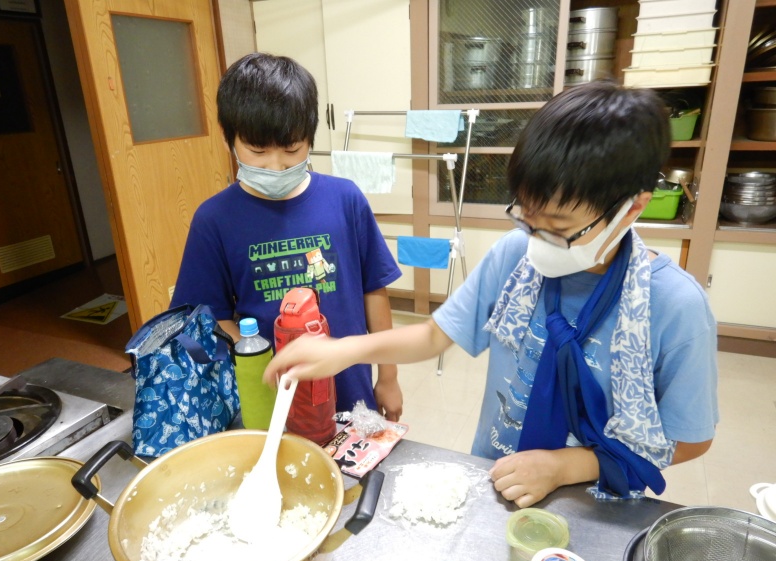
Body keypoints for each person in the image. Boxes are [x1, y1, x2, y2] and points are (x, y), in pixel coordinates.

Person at [263, 80, 719, 507]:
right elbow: (434, 336)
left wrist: (568, 466)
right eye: (527, 216)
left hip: (598, 501)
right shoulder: (516, 257)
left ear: (632, 207)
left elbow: (690, 439)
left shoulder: (675, 306)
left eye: (558, 227)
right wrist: (343, 350)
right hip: (496, 475)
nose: (537, 240)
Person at [171, 52, 403, 420]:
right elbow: (210, 317)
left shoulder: (345, 200)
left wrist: (388, 377)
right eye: (257, 151)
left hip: (350, 390)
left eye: (292, 149)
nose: (276, 166)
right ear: (229, 140)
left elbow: (374, 290)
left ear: (309, 138)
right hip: (271, 399)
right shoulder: (214, 219)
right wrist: (265, 359)